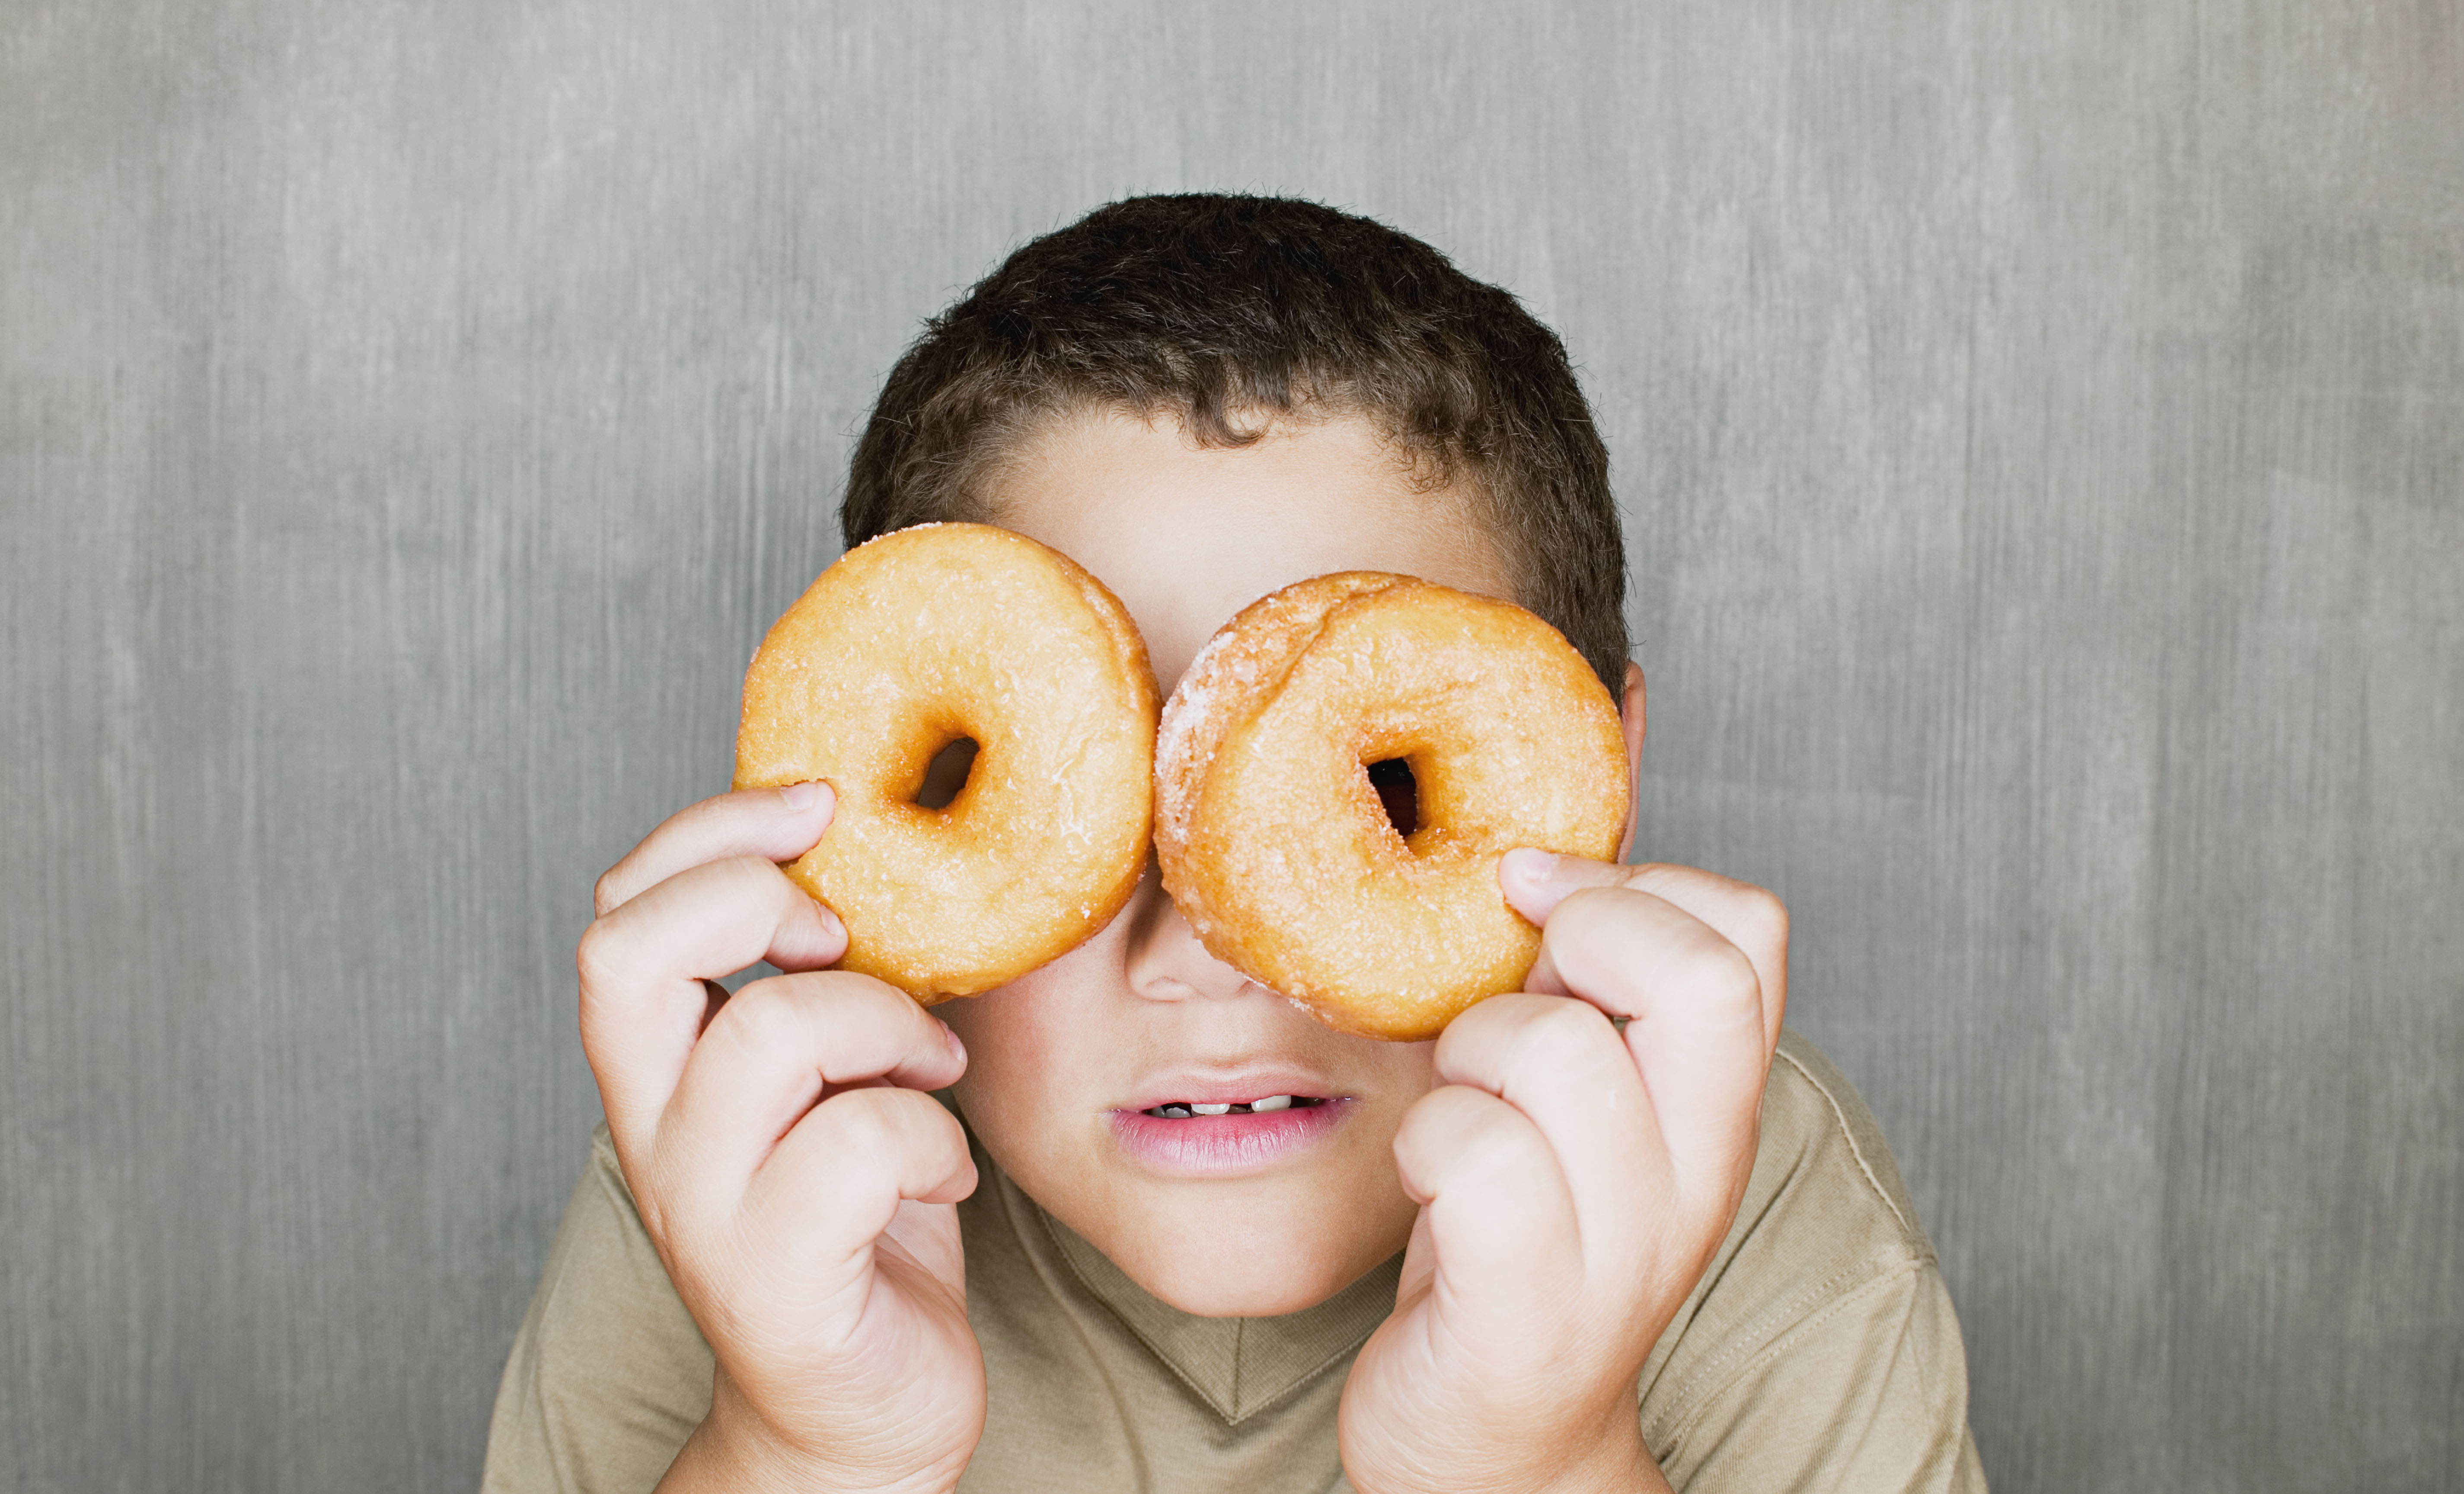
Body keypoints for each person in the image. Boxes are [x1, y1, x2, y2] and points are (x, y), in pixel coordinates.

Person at [482, 194, 1988, 1493]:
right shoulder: (754, 1177)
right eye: (1101, 803)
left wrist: (1536, 1461)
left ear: (1600, 772)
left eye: (1384, 796)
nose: (1204, 951)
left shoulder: (1735, 1189)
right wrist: (798, 1448)